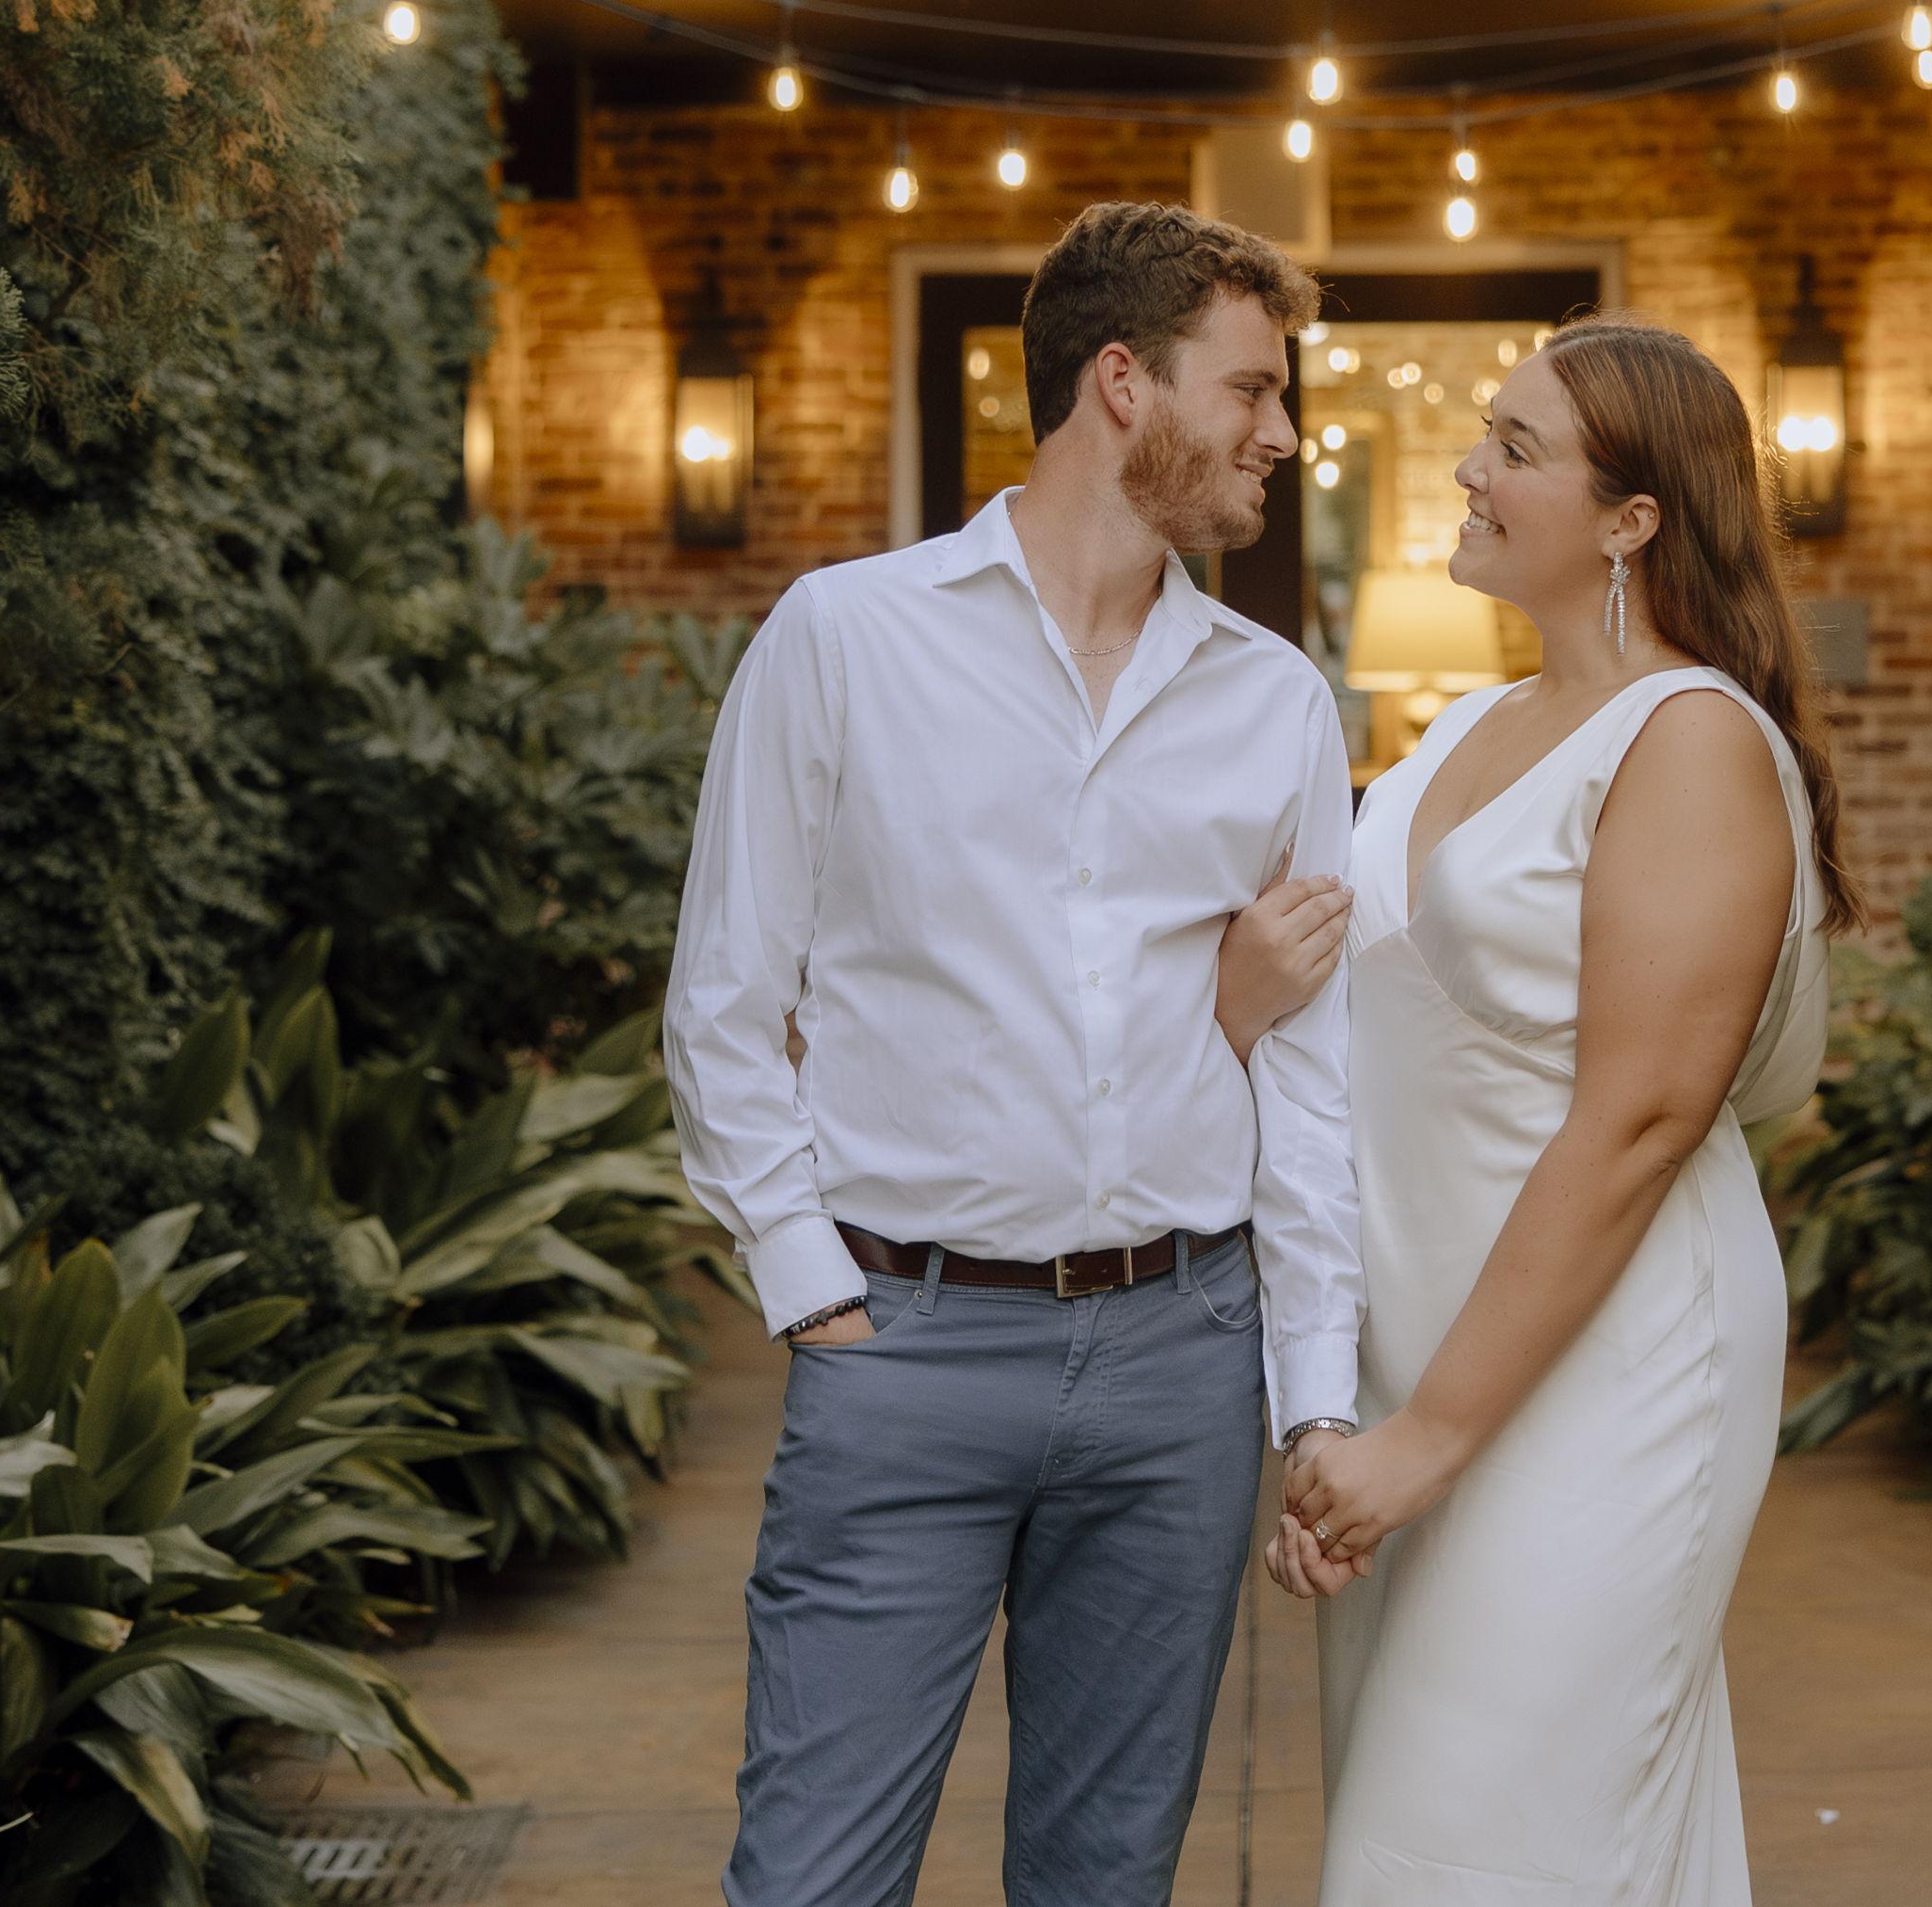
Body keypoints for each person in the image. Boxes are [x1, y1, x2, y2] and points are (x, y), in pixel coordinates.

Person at [661, 201, 1365, 1907]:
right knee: (813, 1877)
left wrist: (1312, 1388)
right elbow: (725, 996)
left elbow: (1307, 1076)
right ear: (1122, 382)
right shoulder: (844, 638)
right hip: (904, 1345)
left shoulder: (1273, 699)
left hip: (1179, 1362)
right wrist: (812, 1288)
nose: (1282, 433)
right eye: (1252, 389)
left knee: (1103, 1879)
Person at [1249, 314, 1861, 1904]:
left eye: (1514, 448)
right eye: (1484, 433)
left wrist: (1428, 1441)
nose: (1466, 469)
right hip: (1414, 1355)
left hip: (1605, 1371)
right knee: (1495, 1832)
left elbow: (1645, 1118)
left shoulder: (1691, 737)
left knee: (1458, 1851)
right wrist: (1340, 1421)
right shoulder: (1463, 725)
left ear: (1630, 518)